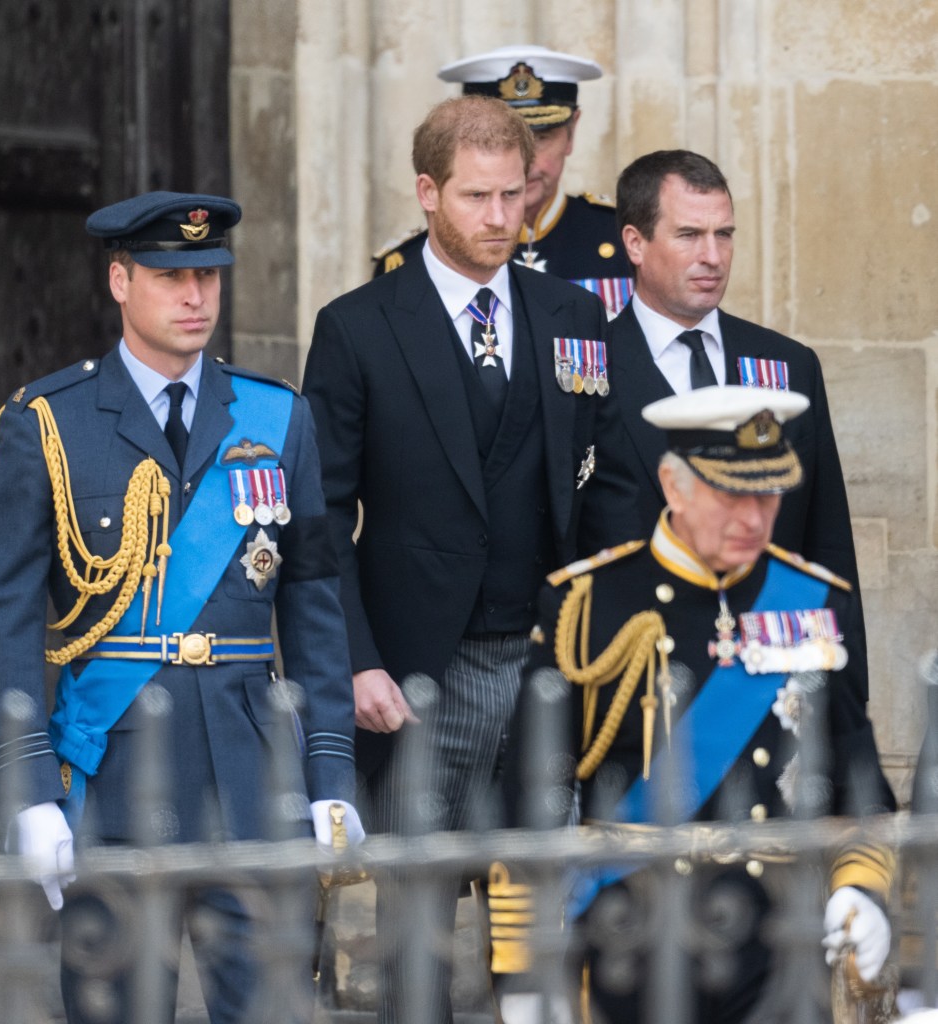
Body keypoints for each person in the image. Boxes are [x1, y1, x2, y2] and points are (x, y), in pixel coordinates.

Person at [0, 191, 361, 1024]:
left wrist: (331, 773)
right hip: (113, 778)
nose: (195, 296)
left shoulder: (275, 416)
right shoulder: (48, 423)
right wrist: (28, 789)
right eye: (170, 275)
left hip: (253, 779)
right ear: (119, 280)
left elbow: (314, 602)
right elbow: (2, 621)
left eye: (209, 276)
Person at [303, 94, 633, 1024]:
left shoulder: (573, 313)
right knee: (415, 923)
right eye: (477, 197)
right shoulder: (358, 326)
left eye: (514, 196)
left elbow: (604, 484)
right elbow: (322, 516)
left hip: (542, 658)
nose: (501, 219)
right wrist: (356, 660)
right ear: (426, 193)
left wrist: (601, 632)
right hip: (414, 669)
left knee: (536, 917)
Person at [499, 385, 896, 1024]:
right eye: (731, 495)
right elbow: (528, 802)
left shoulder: (814, 603)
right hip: (628, 930)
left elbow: (860, 784)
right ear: (674, 486)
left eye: (768, 495)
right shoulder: (587, 604)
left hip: (780, 937)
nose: (754, 520)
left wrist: (860, 891)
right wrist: (524, 968)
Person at [580, 148, 869, 700]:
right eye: (689, 235)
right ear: (635, 243)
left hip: (770, 677)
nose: (712, 256)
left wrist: (847, 696)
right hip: (636, 680)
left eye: (725, 234)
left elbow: (827, 544)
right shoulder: (587, 373)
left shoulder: (787, 365)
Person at [373, 44, 635, 320]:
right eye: (497, 145)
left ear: (571, 134)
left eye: (542, 137)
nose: (526, 162)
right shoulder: (408, 260)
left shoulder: (621, 238)